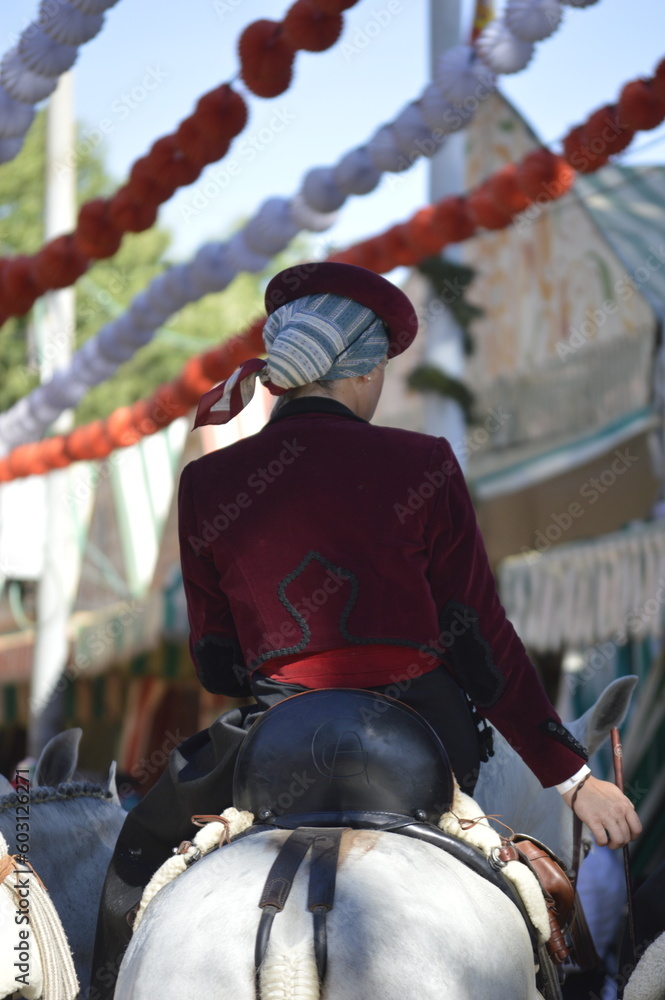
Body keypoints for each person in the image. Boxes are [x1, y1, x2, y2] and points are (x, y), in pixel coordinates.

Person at [90, 261, 640, 997]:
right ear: (362, 370)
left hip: (275, 733)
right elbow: (481, 641)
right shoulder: (422, 461)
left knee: (137, 857)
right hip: (424, 735)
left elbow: (216, 661)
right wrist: (573, 781)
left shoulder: (208, 481)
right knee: (536, 906)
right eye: (380, 366)